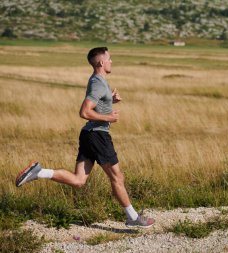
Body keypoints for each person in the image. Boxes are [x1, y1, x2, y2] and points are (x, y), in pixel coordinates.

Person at [15, 47, 155, 228]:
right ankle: (133, 218)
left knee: (79, 180)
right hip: (98, 136)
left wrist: (109, 101)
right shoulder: (98, 83)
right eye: (110, 59)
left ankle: (39, 172)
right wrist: (109, 117)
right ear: (101, 63)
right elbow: (84, 111)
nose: (112, 62)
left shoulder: (99, 82)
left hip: (89, 135)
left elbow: (95, 103)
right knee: (117, 178)